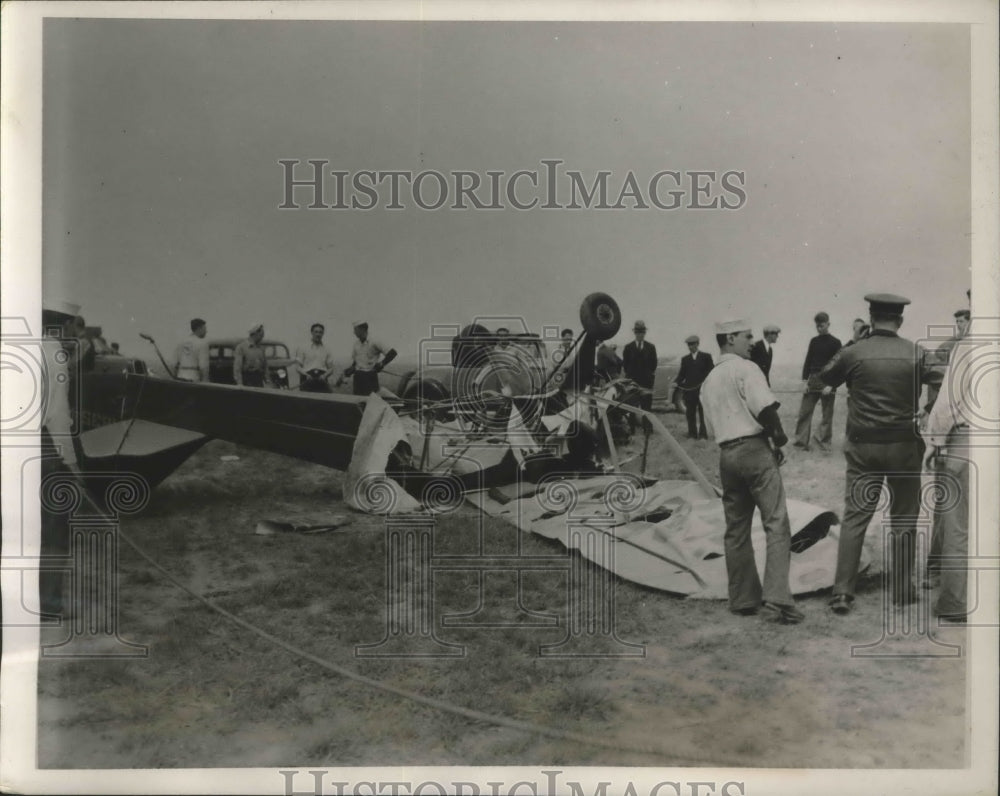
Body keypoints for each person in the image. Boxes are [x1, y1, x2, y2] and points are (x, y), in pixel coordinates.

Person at [819, 294, 940, 615]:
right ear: (899, 320)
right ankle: (902, 590)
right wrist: (928, 408)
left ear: (871, 319)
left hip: (863, 447)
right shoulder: (916, 353)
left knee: (856, 517)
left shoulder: (854, 352)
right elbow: (946, 379)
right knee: (904, 518)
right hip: (904, 447)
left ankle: (843, 592)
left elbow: (824, 376)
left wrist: (851, 344)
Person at [700, 319, 802, 624]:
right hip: (754, 450)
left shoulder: (709, 380)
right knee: (777, 522)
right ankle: (777, 601)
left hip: (726, 455)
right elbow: (765, 408)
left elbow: (709, 428)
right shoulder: (745, 368)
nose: (752, 342)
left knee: (736, 528)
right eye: (747, 336)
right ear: (730, 338)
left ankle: (743, 599)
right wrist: (779, 439)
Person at [924, 328, 973, 623]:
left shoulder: (969, 345)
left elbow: (946, 406)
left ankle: (955, 602)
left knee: (957, 524)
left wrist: (935, 442)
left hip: (968, 441)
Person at [40, 301, 83, 615]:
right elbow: (57, 415)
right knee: (54, 529)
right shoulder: (53, 353)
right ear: (66, 325)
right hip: (45, 450)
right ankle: (49, 603)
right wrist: (72, 464)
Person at [793, 311, 842, 452]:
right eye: (817, 326)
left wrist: (831, 385)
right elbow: (808, 361)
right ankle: (800, 443)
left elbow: (839, 366)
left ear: (828, 324)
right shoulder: (813, 341)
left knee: (827, 415)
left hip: (828, 381)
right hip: (813, 380)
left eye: (822, 325)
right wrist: (804, 381)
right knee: (804, 413)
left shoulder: (836, 342)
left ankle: (824, 443)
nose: (819, 328)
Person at [339, 320, 397, 396]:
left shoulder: (375, 340)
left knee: (371, 402)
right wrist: (348, 372)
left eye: (355, 330)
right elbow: (355, 363)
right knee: (358, 401)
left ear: (362, 329)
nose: (354, 332)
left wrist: (382, 364)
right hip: (358, 378)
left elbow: (393, 353)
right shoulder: (356, 344)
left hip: (370, 377)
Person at [674, 335, 714, 439]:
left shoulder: (706, 357)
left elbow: (711, 372)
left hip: (702, 391)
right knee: (690, 413)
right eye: (689, 345)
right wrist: (676, 382)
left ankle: (703, 435)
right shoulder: (685, 359)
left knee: (703, 414)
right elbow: (681, 374)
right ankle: (692, 434)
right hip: (689, 392)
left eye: (692, 344)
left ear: (697, 344)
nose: (690, 347)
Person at [622, 320, 657, 432]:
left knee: (646, 407)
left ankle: (647, 429)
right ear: (635, 333)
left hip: (646, 382)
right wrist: (631, 377)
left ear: (644, 333)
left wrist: (648, 375)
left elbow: (653, 364)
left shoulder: (651, 347)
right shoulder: (628, 347)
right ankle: (631, 430)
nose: (640, 334)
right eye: (638, 332)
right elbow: (625, 365)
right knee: (632, 407)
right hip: (632, 382)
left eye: (642, 332)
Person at [294, 322, 337, 392]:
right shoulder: (302, 347)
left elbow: (331, 368)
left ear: (323, 334)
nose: (318, 334)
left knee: (324, 401)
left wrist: (325, 376)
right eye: (316, 332)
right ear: (312, 332)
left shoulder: (327, 349)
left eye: (320, 332)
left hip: (322, 380)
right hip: (307, 379)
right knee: (306, 401)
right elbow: (297, 367)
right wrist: (305, 375)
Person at [174, 318, 209, 382]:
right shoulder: (202, 343)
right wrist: (206, 382)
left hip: (180, 377)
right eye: (204, 329)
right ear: (199, 329)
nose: (206, 331)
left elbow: (174, 363)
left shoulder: (181, 342)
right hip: (193, 378)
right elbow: (203, 367)